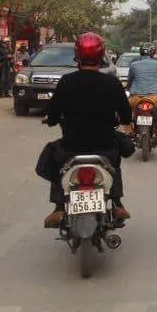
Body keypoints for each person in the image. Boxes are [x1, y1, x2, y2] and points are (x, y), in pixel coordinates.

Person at [40, 32, 132, 228]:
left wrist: (51, 120)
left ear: (77, 55)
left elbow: (53, 116)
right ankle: (117, 203)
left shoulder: (66, 81)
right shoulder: (113, 83)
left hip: (71, 147)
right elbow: (126, 117)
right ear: (101, 55)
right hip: (105, 146)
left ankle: (58, 207)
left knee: (55, 161)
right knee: (114, 162)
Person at [125, 42, 157, 139]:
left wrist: (128, 89)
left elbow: (130, 81)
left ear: (140, 52)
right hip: (155, 99)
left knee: (123, 109)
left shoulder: (133, 65)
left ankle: (129, 131)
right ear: (153, 53)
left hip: (136, 98)